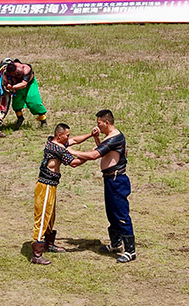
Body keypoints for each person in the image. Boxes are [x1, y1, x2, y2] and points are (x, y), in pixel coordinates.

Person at [70, 109, 136, 263]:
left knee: (121, 215)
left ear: (107, 122)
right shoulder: (109, 138)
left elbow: (94, 155)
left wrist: (72, 151)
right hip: (110, 179)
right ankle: (115, 243)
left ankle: (130, 250)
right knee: (111, 213)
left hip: (117, 180)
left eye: (99, 122)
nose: (97, 125)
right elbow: (105, 153)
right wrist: (97, 139)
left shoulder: (115, 138)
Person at [30, 123, 95, 265]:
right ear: (59, 136)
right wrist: (91, 155)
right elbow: (74, 163)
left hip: (51, 185)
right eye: (67, 135)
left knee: (50, 215)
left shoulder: (53, 141)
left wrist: (90, 135)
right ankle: (37, 253)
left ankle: (48, 244)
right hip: (45, 185)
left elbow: (75, 141)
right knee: (42, 217)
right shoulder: (57, 149)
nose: (69, 137)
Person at [4, 60, 47, 127]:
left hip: (29, 85)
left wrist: (13, 87)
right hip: (17, 86)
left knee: (34, 102)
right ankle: (20, 118)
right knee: (16, 103)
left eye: (14, 74)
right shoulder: (8, 69)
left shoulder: (25, 69)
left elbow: (24, 84)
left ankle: (43, 120)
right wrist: (9, 84)